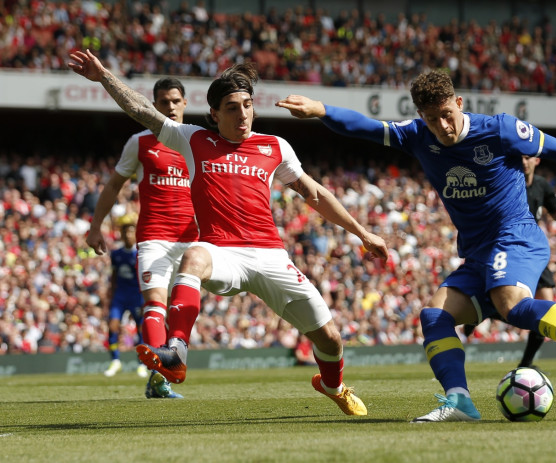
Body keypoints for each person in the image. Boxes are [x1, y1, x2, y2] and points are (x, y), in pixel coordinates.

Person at [276, 69, 556, 423]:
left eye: (447, 115)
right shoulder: (417, 134)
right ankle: (459, 400)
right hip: (478, 251)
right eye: (432, 118)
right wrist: (321, 110)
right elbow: (365, 127)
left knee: (512, 305)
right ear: (420, 115)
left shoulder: (499, 129)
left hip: (515, 235)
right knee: (434, 316)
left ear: (458, 102)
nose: (442, 126)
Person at [69, 50, 389, 416]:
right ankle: (176, 354)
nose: (243, 114)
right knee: (194, 255)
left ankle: (333, 386)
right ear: (214, 114)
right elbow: (143, 111)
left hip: (270, 256)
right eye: (233, 107)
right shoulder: (193, 140)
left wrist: (363, 233)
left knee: (330, 339)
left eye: (248, 105)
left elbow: (315, 194)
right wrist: (105, 76)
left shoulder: (274, 146)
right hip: (222, 252)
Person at [89, 77, 196, 399]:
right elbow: (113, 186)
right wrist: (95, 226)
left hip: (194, 239)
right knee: (154, 304)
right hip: (154, 236)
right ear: (153, 106)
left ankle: (171, 358)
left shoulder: (197, 141)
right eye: (164, 102)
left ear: (185, 103)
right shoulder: (140, 142)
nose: (171, 107)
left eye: (176, 101)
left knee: (183, 306)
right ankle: (159, 376)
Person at [463, 154, 556, 368]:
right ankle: (488, 313)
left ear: (537, 161)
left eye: (528, 158)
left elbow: (554, 210)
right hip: (509, 247)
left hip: (532, 247)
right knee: (511, 304)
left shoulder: (542, 185)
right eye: (521, 158)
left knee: (547, 308)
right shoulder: (507, 181)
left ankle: (525, 363)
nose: (524, 162)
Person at [103, 222, 146, 378]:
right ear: (121, 234)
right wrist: (110, 295)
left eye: (131, 232)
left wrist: (145, 298)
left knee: (142, 330)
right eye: (125, 232)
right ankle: (115, 361)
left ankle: (142, 364)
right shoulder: (116, 254)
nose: (128, 235)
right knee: (112, 325)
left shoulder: (140, 254)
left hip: (136, 296)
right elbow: (114, 277)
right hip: (120, 296)